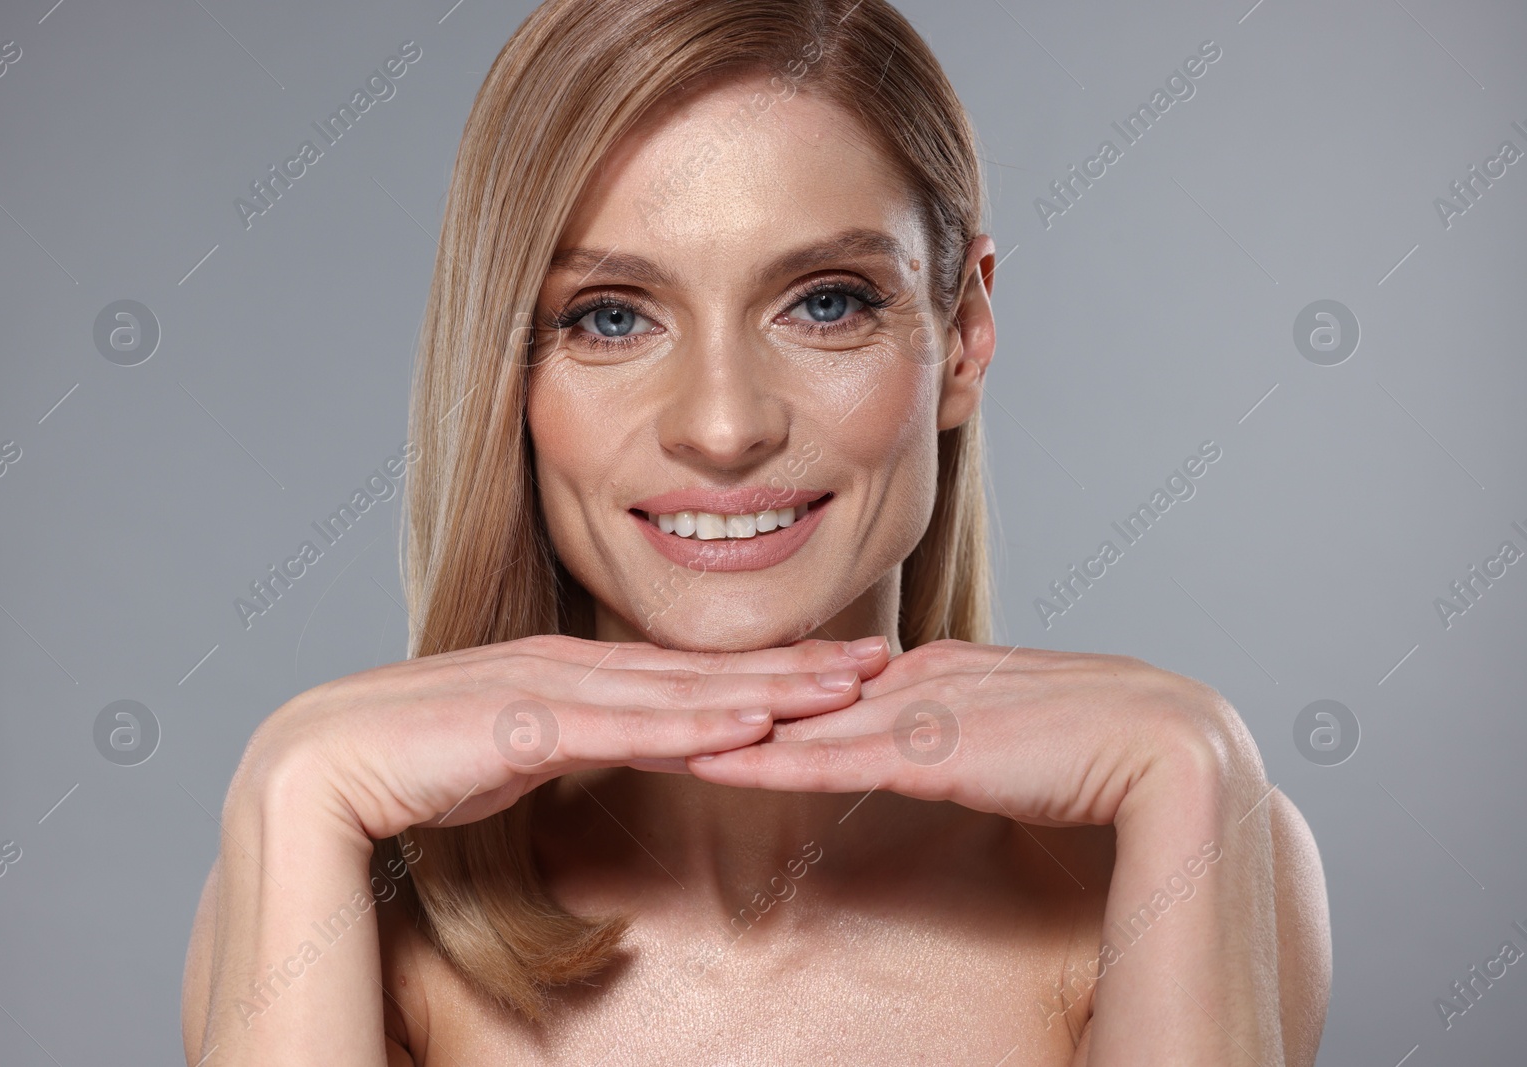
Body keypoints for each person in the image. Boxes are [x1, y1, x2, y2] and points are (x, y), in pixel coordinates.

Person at [182, 0, 1331, 1062]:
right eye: (611, 316)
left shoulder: (1175, 849)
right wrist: (294, 783)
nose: (723, 426)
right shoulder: (329, 882)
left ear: (965, 333)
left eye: (825, 300)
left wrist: (1195, 765)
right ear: (509, 375)